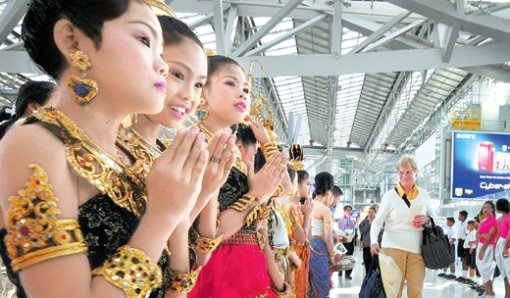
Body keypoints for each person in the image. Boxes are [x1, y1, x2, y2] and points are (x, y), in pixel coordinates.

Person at [0, 1, 216, 297]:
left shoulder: (131, 155)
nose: (162, 65)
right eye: (144, 40)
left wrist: (186, 204)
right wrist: (161, 216)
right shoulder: (35, 144)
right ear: (72, 41)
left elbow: (171, 285)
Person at [116, 15, 237, 295]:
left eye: (198, 85)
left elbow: (187, 261)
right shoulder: (107, 149)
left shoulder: (167, 154)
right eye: (178, 75)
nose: (189, 95)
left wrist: (206, 192)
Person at [187, 55, 288, 297]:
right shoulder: (194, 148)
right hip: (218, 273)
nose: (242, 94)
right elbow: (214, 232)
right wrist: (256, 195)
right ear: (202, 91)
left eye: (245, 89)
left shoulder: (233, 157)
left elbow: (279, 191)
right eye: (230, 83)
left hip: (249, 269)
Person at [370, 154, 436, 298]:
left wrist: (426, 219)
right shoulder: (389, 196)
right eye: (401, 172)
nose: (404, 176)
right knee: (393, 293)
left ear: (416, 173)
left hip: (417, 250)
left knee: (416, 292)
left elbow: (434, 219)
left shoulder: (424, 194)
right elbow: (377, 221)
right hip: (392, 248)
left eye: (408, 172)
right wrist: (374, 241)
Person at [309, 172, 341, 298]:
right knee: (322, 289)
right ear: (329, 190)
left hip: (307, 246)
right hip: (319, 248)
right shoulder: (324, 209)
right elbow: (327, 238)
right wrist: (333, 257)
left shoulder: (307, 204)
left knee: (310, 287)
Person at [285, 166, 313, 298]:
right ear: (297, 185)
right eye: (307, 183)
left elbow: (308, 238)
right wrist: (307, 216)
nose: (309, 187)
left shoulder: (297, 207)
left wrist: (308, 214)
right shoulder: (290, 207)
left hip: (300, 259)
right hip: (292, 261)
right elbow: (302, 239)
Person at [477, 200, 497, 297]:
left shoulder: (494, 221)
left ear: (493, 209)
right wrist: (482, 235)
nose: (486, 209)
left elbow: (489, 237)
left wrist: (482, 250)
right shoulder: (483, 220)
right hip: (481, 245)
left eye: (488, 207)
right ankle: (489, 292)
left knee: (486, 270)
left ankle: (490, 292)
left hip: (488, 247)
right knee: (482, 269)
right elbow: (477, 234)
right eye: (484, 207)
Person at [496, 199, 510, 298]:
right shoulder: (500, 220)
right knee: (504, 273)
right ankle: (506, 294)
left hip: (506, 244)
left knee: (508, 271)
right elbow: (498, 235)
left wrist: (505, 247)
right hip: (501, 244)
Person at [338, 205, 356, 280]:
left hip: (350, 241)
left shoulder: (352, 220)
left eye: (350, 210)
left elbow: (354, 230)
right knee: (341, 257)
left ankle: (348, 274)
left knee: (349, 257)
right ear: (344, 210)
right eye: (347, 210)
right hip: (342, 241)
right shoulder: (340, 219)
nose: (349, 211)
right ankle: (341, 270)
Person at [359, 206, 377, 274]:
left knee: (375, 264)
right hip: (367, 245)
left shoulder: (378, 221)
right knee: (367, 263)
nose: (370, 214)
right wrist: (369, 224)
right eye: (369, 212)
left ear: (375, 213)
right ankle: (368, 277)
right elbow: (363, 231)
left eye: (372, 212)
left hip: (375, 246)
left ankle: (374, 277)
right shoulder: (364, 221)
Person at [457, 210, 469, 282]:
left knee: (464, 259)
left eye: (460, 215)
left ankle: (465, 277)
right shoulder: (462, 223)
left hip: (464, 242)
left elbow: (467, 235)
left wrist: (466, 245)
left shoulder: (466, 224)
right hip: (460, 242)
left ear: (463, 216)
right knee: (462, 259)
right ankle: (463, 275)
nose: (458, 217)